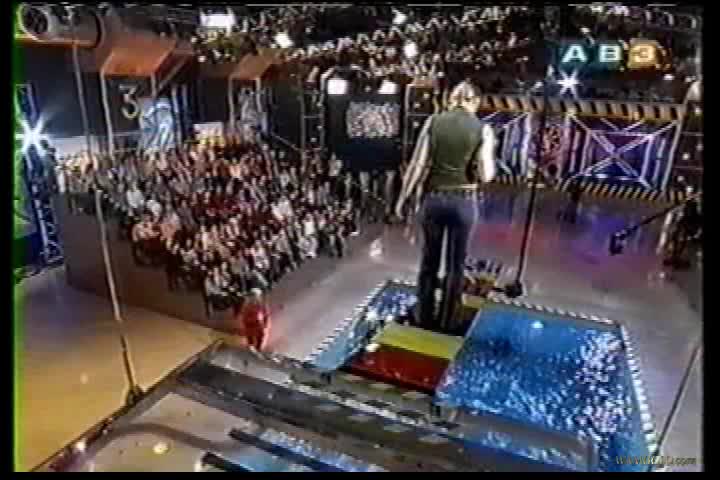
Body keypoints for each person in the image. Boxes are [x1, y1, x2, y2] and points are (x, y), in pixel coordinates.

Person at [395, 81, 497, 333]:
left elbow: (418, 165)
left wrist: (402, 198)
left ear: (451, 99)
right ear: (475, 102)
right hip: (464, 201)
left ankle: (423, 315)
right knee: (455, 264)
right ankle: (448, 319)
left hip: (434, 199)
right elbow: (486, 175)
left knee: (428, 261)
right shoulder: (483, 129)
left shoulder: (433, 122)